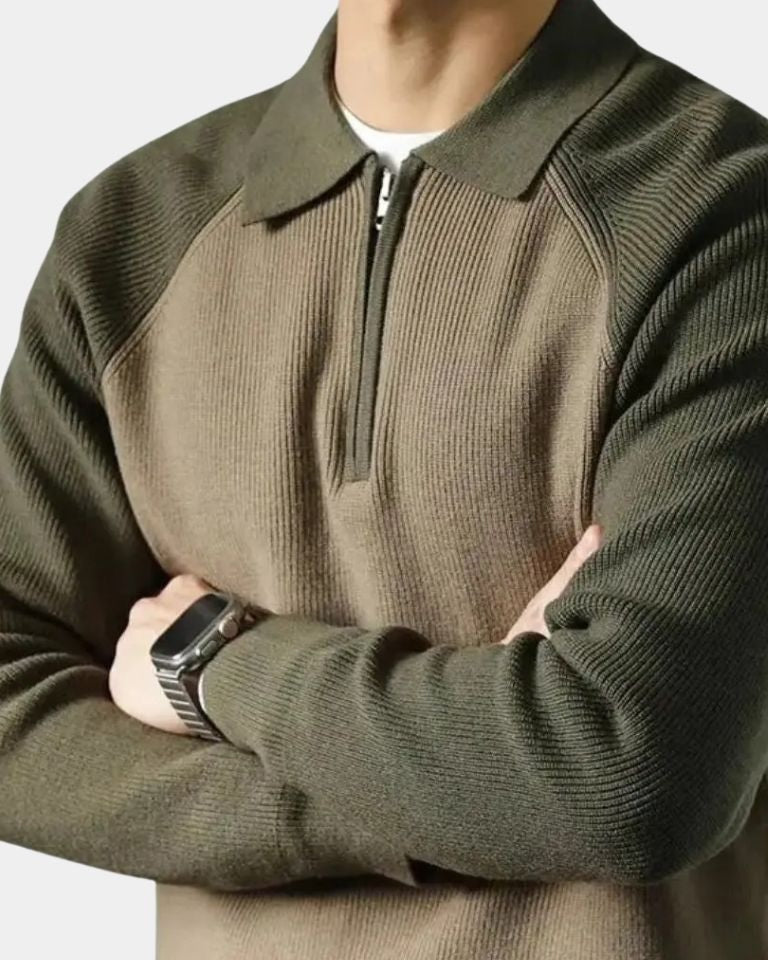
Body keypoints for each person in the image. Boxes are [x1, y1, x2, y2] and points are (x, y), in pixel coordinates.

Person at [1, 0, 768, 957]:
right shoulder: (128, 232)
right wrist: (470, 795)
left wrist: (210, 661)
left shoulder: (720, 210)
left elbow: (631, 771)